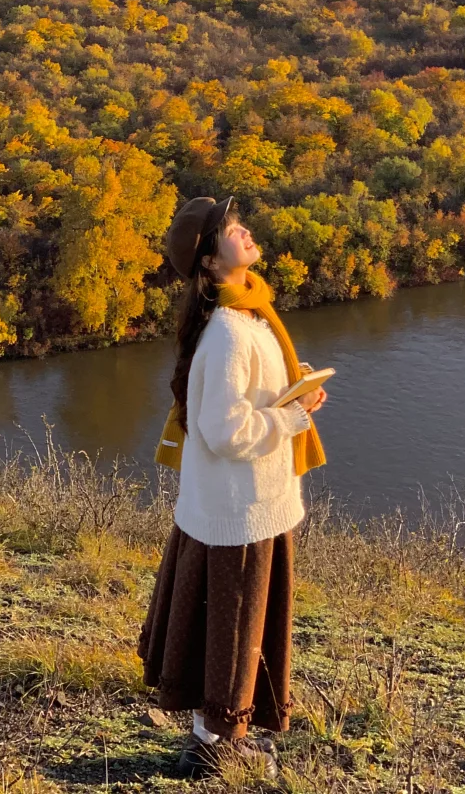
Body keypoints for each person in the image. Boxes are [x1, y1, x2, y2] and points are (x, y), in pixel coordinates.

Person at [139, 195, 328, 779]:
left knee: (228, 627)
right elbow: (225, 432)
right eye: (229, 230)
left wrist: (292, 396)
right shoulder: (228, 333)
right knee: (235, 624)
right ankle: (214, 751)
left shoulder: (248, 315)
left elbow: (240, 410)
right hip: (238, 510)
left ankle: (222, 739)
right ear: (208, 263)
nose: (244, 231)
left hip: (241, 505)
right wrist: (292, 417)